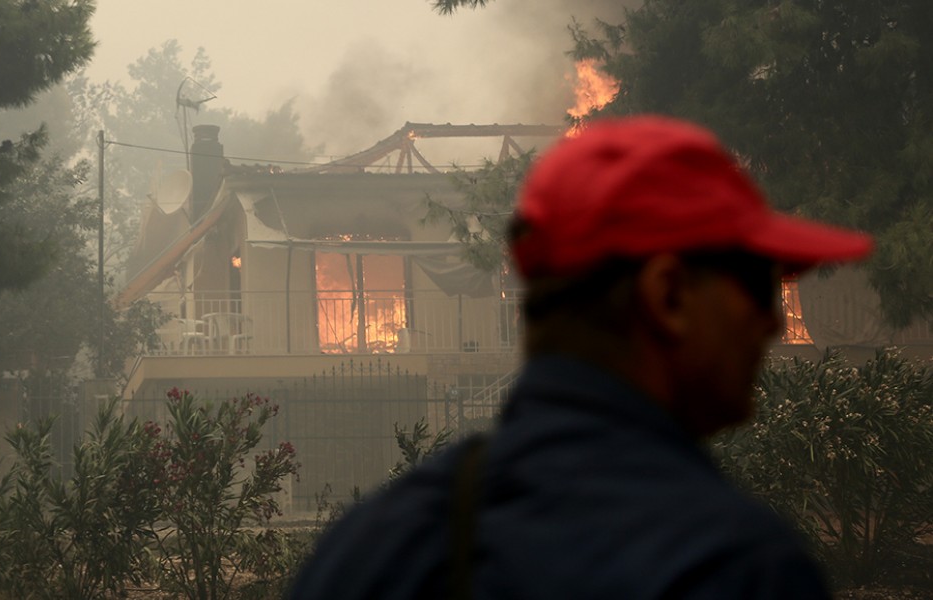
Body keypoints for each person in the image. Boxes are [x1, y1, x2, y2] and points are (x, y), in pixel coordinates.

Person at [288, 115, 873, 599]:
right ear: (667, 294)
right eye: (759, 286)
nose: (773, 322)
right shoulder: (735, 567)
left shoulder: (371, 551)